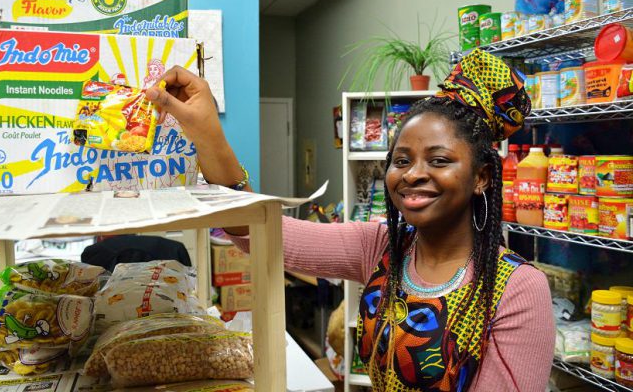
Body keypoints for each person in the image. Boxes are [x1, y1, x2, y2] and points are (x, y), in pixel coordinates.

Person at [146, 49, 555, 392]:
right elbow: (260, 230)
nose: (412, 174)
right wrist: (206, 132)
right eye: (401, 160)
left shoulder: (516, 289)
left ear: (481, 176)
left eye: (439, 160)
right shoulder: (382, 247)